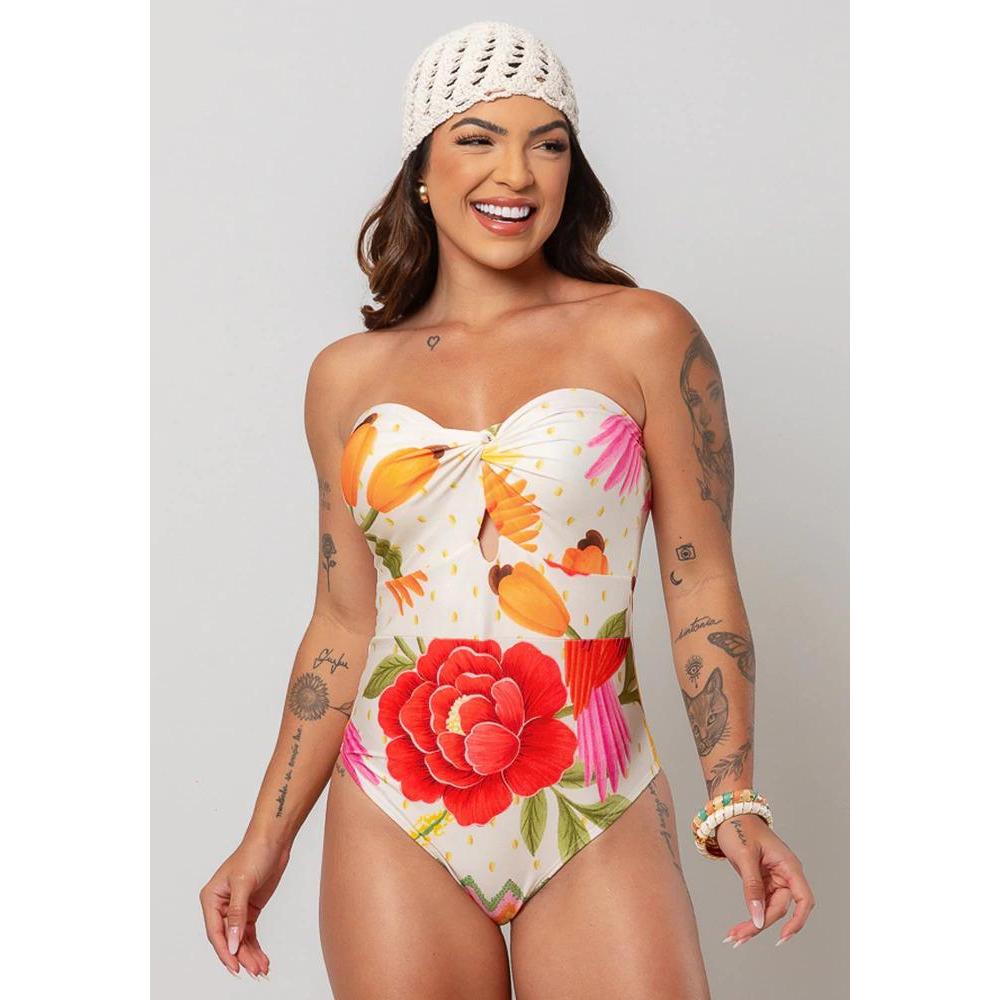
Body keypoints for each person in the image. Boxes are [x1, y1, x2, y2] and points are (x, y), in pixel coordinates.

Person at [199, 20, 815, 997]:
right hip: (392, 805)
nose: (516, 173)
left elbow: (698, 578)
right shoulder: (345, 377)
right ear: (422, 168)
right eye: (478, 138)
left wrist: (732, 794)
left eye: (548, 143)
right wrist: (263, 840)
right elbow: (345, 622)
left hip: (594, 794)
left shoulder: (643, 334)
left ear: (574, 169)